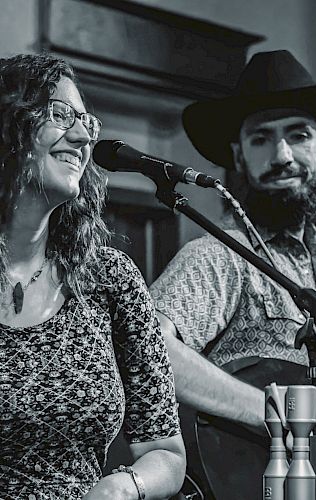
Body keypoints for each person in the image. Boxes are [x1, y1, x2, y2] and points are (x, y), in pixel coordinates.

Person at [150, 50, 316, 488]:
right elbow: (148, 351)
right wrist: (277, 415)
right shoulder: (216, 256)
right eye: (261, 139)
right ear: (238, 156)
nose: (282, 155)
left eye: (298, 135)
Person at [0, 53, 185, 499]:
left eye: (87, 121)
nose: (83, 136)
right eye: (60, 115)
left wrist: (124, 487)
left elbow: (167, 453)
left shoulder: (109, 278)